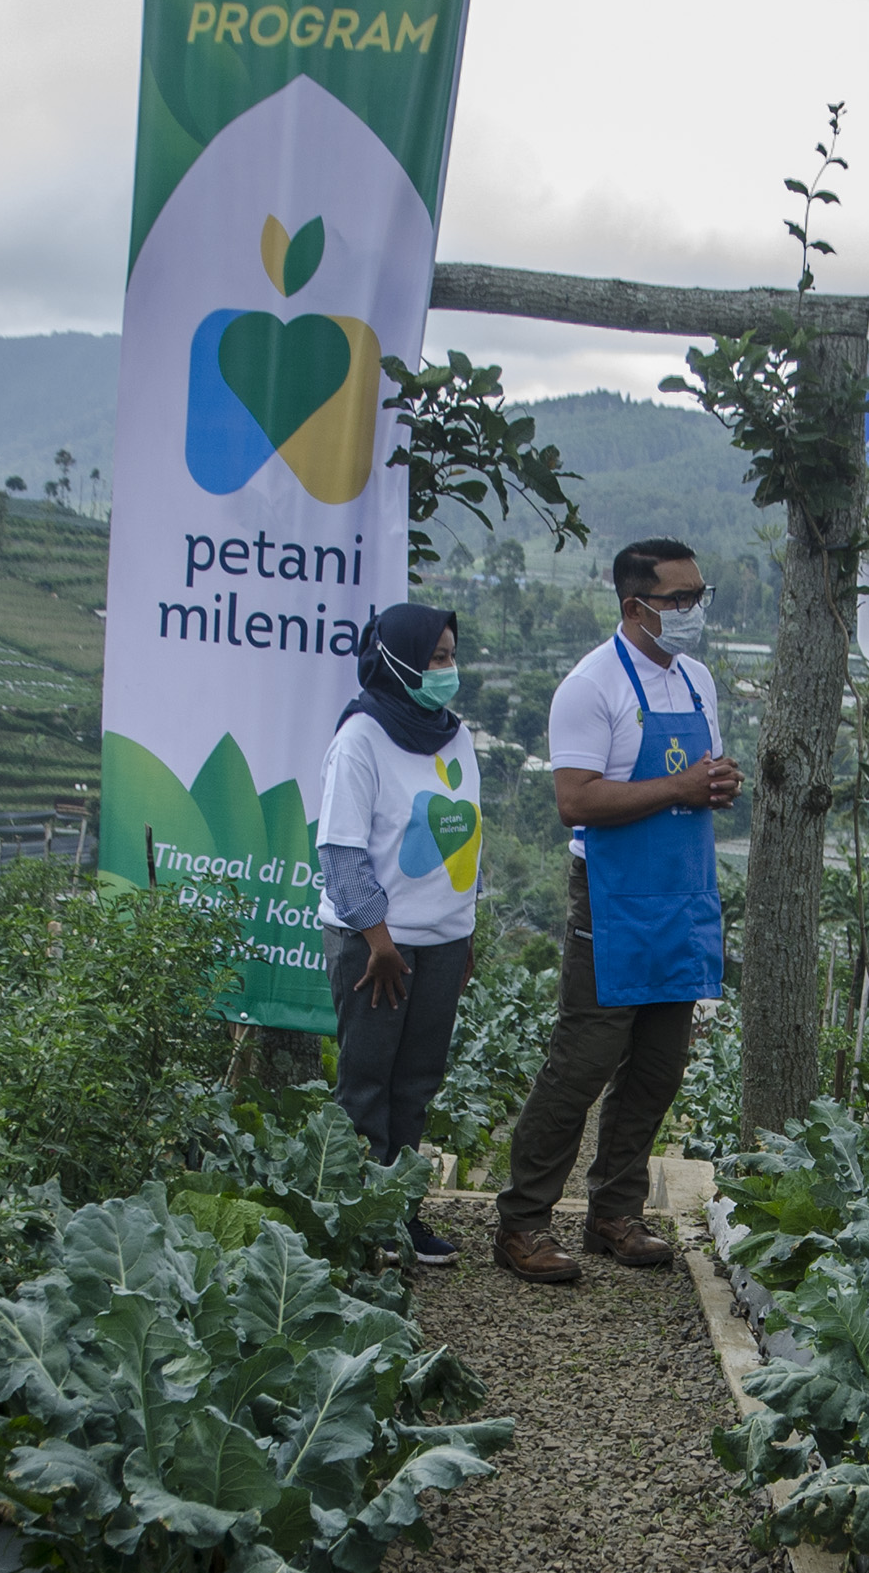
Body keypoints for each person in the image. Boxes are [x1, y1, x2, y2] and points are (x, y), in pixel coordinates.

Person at [492, 537, 741, 1282]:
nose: (694, 612)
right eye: (680, 600)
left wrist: (718, 782)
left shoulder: (697, 681)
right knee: (584, 1060)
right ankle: (523, 1222)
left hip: (682, 893)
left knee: (660, 1065)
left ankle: (615, 1211)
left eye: (701, 596)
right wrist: (681, 789)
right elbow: (577, 799)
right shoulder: (591, 686)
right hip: (612, 898)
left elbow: (701, 776)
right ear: (636, 606)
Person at [318, 600, 481, 1268]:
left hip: (441, 942)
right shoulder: (360, 738)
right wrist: (379, 939)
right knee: (367, 1083)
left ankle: (402, 1212)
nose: (448, 669)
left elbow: (464, 834)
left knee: (416, 1081)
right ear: (398, 659)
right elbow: (341, 852)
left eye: (450, 655)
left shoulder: (454, 734)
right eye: (436, 657)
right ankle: (360, 1221)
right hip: (376, 945)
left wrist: (462, 933)